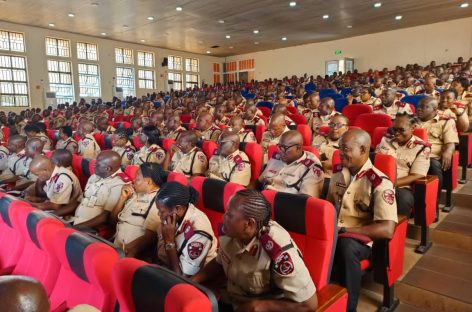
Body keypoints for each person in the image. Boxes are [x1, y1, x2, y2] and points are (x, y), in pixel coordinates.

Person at [192, 189, 318, 311]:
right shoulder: (231, 233)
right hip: (231, 299)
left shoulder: (278, 252)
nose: (223, 217)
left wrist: (261, 306)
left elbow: (309, 304)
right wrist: (192, 281)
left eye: (229, 215)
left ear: (249, 224)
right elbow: (220, 262)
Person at [327, 129, 397, 312]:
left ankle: (349, 307)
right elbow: (328, 206)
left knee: (346, 246)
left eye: (346, 149)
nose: (340, 152)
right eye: (340, 148)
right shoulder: (338, 173)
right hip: (336, 232)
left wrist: (344, 232)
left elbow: (387, 229)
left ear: (364, 150)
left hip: (361, 239)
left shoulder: (379, 183)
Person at [154, 182, 217, 277]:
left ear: (177, 209)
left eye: (161, 211)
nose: (159, 214)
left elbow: (182, 277)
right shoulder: (174, 217)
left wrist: (169, 241)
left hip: (190, 280)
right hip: (168, 267)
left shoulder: (199, 230)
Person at [375, 113, 431, 216]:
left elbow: (416, 175)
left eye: (401, 130)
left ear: (412, 128)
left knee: (403, 199)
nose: (396, 133)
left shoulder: (421, 148)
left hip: (400, 186)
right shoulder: (385, 139)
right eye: (394, 129)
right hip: (376, 181)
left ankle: (397, 230)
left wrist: (391, 184)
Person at [250, 130, 324, 197]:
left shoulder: (311, 167)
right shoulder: (277, 158)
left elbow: (305, 203)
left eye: (285, 148)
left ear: (298, 148)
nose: (280, 151)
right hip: (262, 201)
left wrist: (275, 195)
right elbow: (258, 182)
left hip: (285, 207)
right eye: (279, 146)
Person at [416, 97, 458, 214]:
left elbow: (451, 143)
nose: (419, 109)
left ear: (435, 109)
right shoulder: (411, 121)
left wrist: (448, 152)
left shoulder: (445, 121)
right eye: (418, 107)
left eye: (423, 107)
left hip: (431, 157)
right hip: (410, 156)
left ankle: (433, 206)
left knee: (434, 165)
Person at [111, 163, 166, 251]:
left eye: (137, 178)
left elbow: (150, 237)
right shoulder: (134, 193)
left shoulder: (158, 201)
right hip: (115, 243)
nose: (133, 180)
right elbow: (112, 221)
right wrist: (122, 198)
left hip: (130, 251)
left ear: (148, 182)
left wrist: (127, 251)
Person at [73, 151, 131, 227]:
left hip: (93, 228)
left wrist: (76, 228)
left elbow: (106, 216)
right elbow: (80, 200)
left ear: (107, 168)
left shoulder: (119, 184)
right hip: (75, 220)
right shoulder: (95, 176)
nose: (94, 165)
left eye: (97, 164)